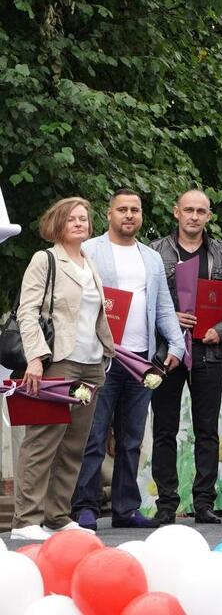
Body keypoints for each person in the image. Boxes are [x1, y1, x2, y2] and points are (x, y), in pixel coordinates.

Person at [73, 190, 186, 530]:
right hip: (100, 359)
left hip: (141, 360)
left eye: (134, 210)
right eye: (122, 209)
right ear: (109, 214)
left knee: (132, 438)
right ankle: (85, 508)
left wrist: (177, 346)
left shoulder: (151, 258)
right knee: (93, 436)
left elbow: (164, 306)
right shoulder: (89, 250)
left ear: (141, 216)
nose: (129, 215)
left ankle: (125, 509)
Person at [10, 198, 114, 541]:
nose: (80, 223)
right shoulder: (46, 260)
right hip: (59, 361)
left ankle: (56, 515)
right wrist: (37, 358)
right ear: (58, 223)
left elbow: (96, 316)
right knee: (43, 440)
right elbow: (28, 311)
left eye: (84, 218)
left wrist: (107, 354)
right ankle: (27, 520)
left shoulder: (89, 262)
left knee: (74, 444)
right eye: (72, 218)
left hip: (91, 362)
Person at [149, 189, 222, 526]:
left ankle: (203, 503)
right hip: (168, 352)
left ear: (208, 216)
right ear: (176, 212)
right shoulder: (154, 253)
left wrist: (221, 329)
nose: (194, 216)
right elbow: (143, 301)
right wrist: (169, 317)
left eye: (201, 211)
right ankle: (166, 504)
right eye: (188, 210)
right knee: (165, 429)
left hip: (210, 350)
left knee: (207, 431)